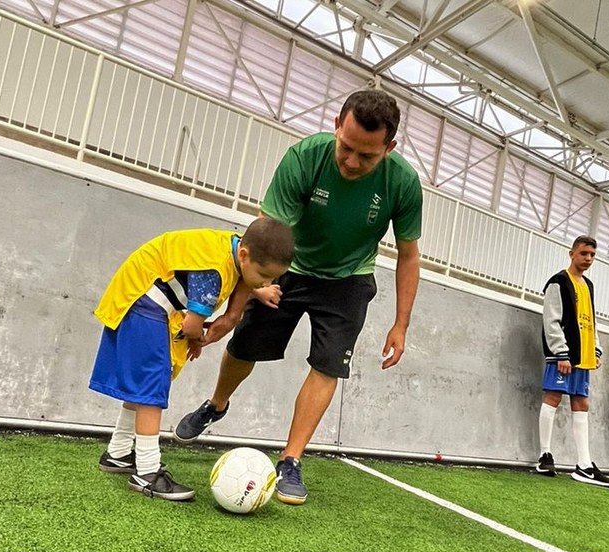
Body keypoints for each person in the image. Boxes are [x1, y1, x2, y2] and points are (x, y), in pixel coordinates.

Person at [174, 89, 423, 505]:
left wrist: (401, 323)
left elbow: (409, 256)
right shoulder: (305, 158)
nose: (350, 162)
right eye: (346, 148)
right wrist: (243, 300)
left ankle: (290, 460)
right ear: (336, 126)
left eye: (367, 156)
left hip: (349, 278)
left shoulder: (403, 183)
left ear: (389, 148)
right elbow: (265, 238)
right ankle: (217, 404)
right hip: (288, 266)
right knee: (245, 345)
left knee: (327, 366)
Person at [89, 217, 294, 501]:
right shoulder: (212, 271)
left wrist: (255, 289)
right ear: (245, 255)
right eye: (262, 275)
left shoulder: (232, 247)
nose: (266, 283)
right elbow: (191, 325)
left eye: (272, 279)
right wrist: (197, 340)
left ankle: (118, 453)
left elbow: (238, 280)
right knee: (151, 388)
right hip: (143, 301)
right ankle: (147, 473)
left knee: (144, 384)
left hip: (141, 296)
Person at [534, 235, 609, 488]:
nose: (588, 259)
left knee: (581, 402)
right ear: (572, 253)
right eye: (583, 254)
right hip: (564, 356)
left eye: (592, 255)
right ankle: (544, 456)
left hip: (583, 357)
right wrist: (561, 353)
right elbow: (551, 320)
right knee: (553, 397)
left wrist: (596, 349)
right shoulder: (558, 282)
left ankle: (584, 465)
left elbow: (591, 320)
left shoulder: (588, 285)